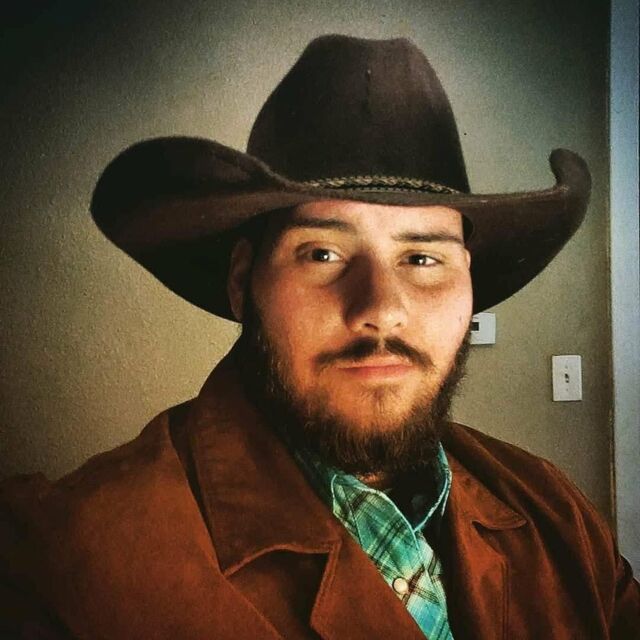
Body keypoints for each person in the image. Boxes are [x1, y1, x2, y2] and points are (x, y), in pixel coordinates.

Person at [1, 34, 638, 639]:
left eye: (423, 258)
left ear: (468, 281)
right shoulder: (71, 571)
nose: (382, 310)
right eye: (323, 254)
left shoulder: (562, 521)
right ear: (243, 282)